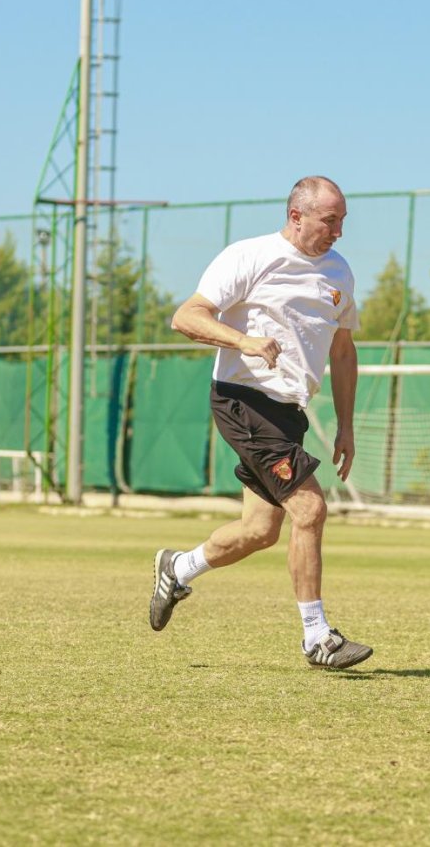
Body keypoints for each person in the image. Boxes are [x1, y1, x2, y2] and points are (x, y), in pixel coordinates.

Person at [149, 176, 372, 670]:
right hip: (243, 400)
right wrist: (243, 342)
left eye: (342, 221)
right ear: (297, 216)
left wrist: (347, 426)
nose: (338, 231)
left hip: (288, 413)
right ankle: (317, 637)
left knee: (259, 530)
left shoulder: (340, 272)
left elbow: (342, 350)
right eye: (329, 220)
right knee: (310, 509)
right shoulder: (249, 256)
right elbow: (186, 316)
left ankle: (178, 568)